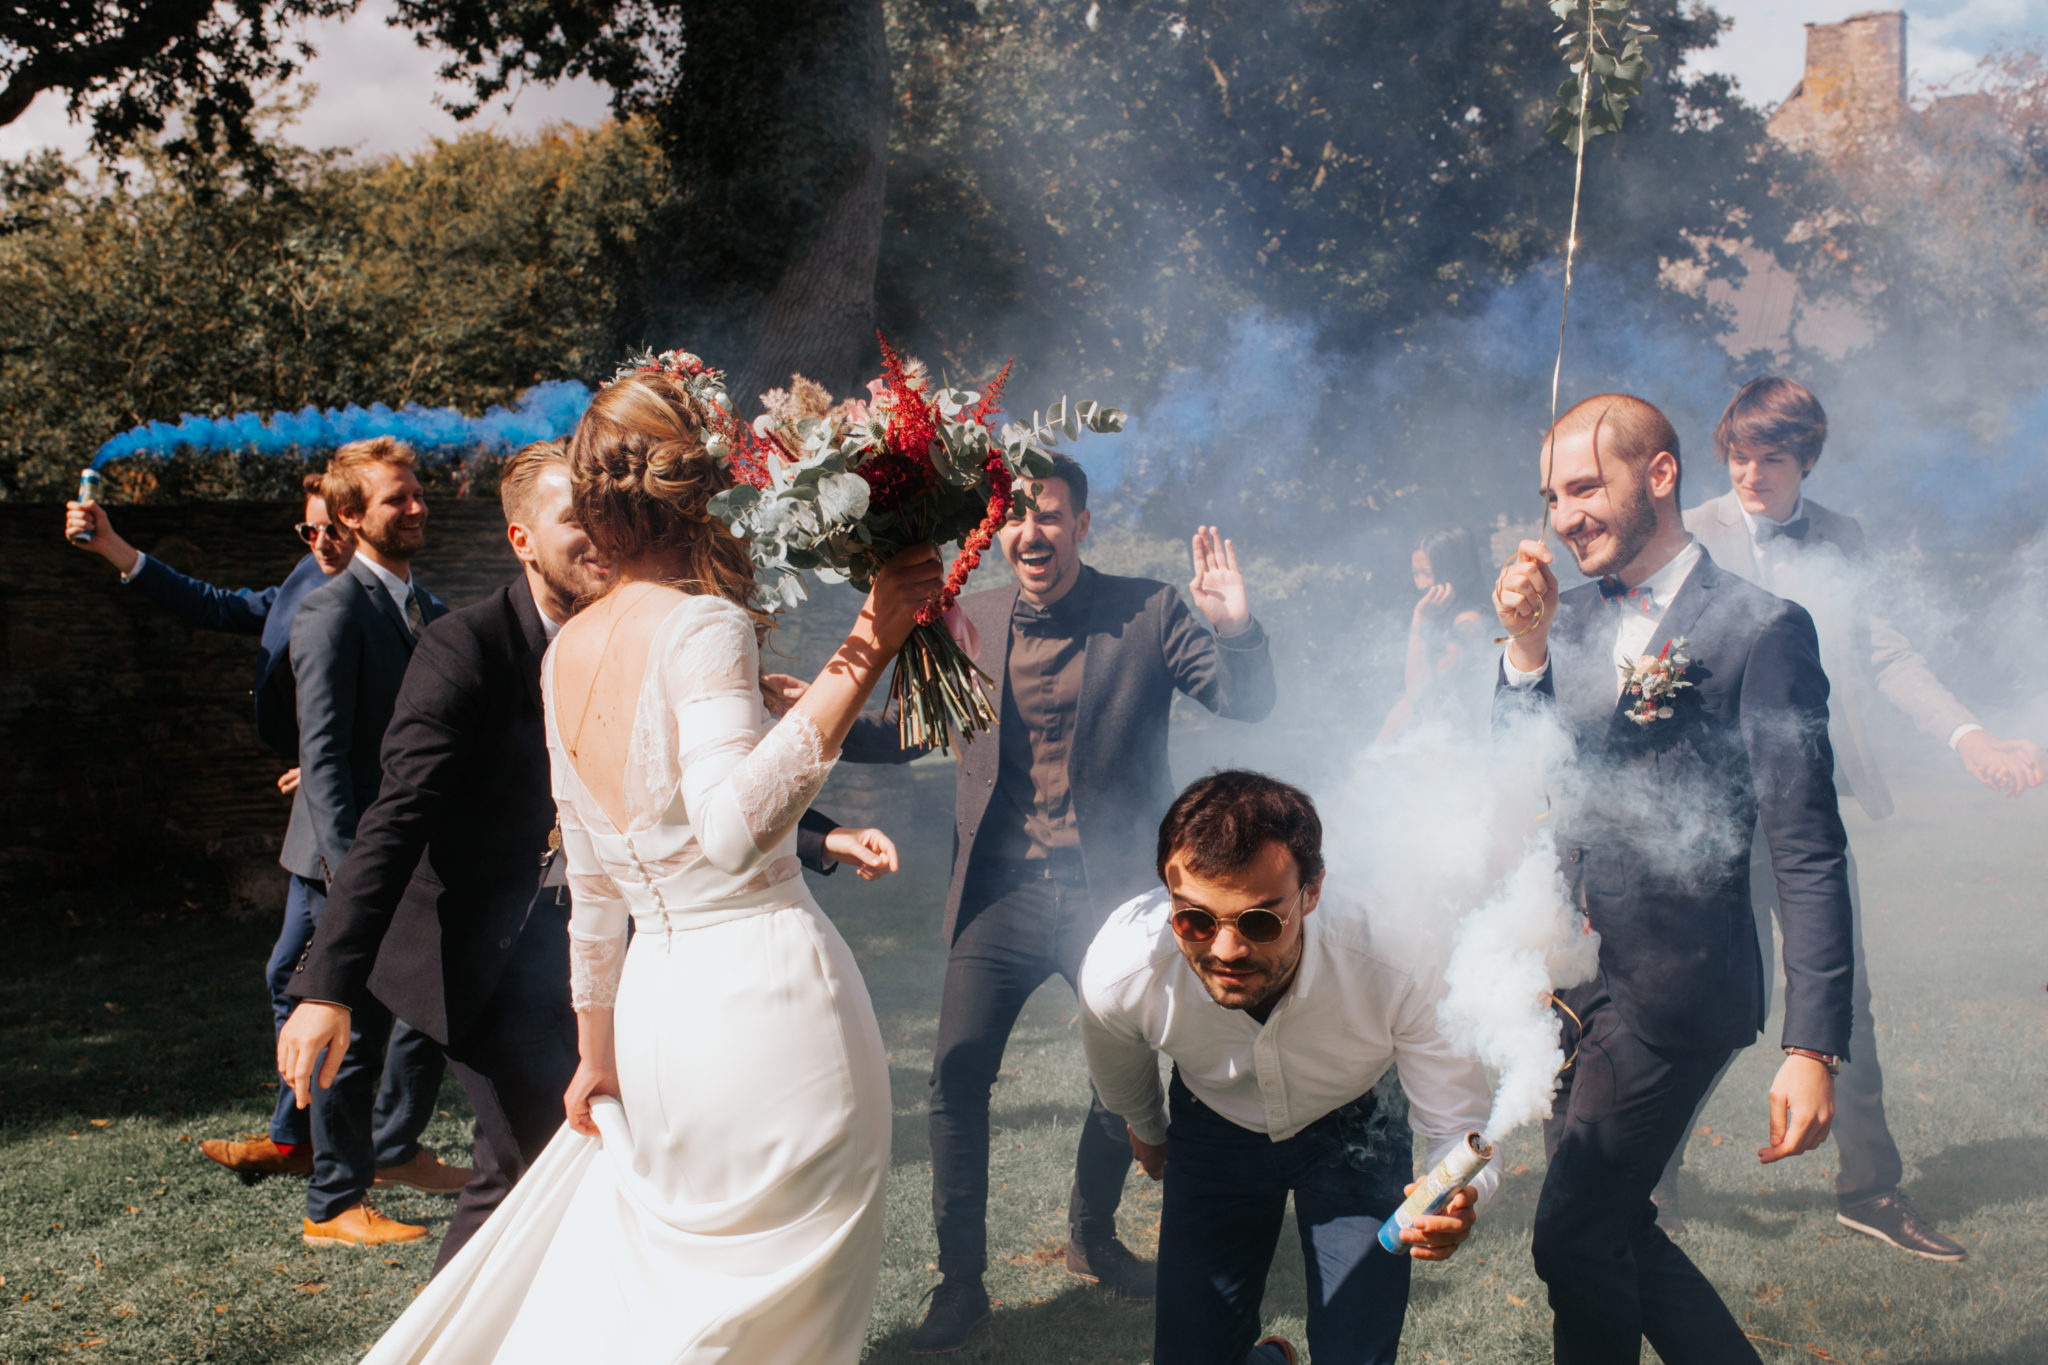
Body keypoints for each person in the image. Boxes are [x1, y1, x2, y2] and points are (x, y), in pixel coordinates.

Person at [350, 368, 942, 1363]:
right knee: (782, 1304)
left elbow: (592, 893)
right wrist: (868, 643)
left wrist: (595, 1053)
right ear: (702, 491)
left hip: (657, 1015)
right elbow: (731, 824)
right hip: (760, 1002)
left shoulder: (565, 652)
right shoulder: (702, 626)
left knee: (696, 1287)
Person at [840, 452, 1278, 1352]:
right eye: (1014, 519)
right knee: (956, 1074)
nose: (1029, 534)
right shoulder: (968, 615)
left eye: (1048, 515)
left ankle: (1092, 1234)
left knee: (1119, 1080)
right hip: (998, 894)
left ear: (1082, 524)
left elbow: (1247, 701)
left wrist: (1236, 628)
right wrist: (824, 706)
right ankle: (960, 1285)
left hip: (1108, 899)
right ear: (994, 531)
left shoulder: (1149, 609)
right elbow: (908, 730)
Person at [1492, 392, 1855, 1365]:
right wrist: (1521, 652)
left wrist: (1811, 1047)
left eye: (1582, 486)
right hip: (1565, 982)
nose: (1563, 514)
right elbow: (1516, 762)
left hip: (1675, 989)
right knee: (1607, 1231)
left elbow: (1808, 844)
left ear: (1657, 475)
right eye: (1549, 496)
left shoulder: (1759, 630)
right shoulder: (1563, 622)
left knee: (1570, 1230)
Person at [1659, 376, 2045, 1260]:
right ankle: (1648, 1183)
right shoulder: (1689, 527)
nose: (1751, 473)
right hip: (1702, 819)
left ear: (1807, 461)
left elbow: (1883, 648)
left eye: (1772, 457)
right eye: (1739, 455)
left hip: (1805, 811)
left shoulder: (1841, 537)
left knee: (1844, 1001)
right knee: (1695, 1002)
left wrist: (1970, 735)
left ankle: (1870, 1189)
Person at [64, 473, 439, 1186]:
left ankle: (339, 1153)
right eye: (310, 531)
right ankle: (302, 1137)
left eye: (334, 528)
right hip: (315, 830)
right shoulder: (308, 589)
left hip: (345, 832)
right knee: (292, 979)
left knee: (339, 994)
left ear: (357, 525)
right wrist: (115, 547)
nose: (323, 541)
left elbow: (392, 704)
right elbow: (213, 604)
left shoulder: (395, 601)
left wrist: (342, 767)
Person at [1079, 770, 1492, 1365]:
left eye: (1258, 921)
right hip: (1216, 1126)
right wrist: (1147, 1125)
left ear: (1313, 891)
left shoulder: (1398, 953)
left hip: (1358, 1125)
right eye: (1195, 920)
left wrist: (1460, 1195)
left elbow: (1461, 1123)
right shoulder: (1121, 969)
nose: (1225, 950)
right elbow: (1117, 1060)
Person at [285, 437, 469, 1249]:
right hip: (352, 859)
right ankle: (333, 1201)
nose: (420, 504)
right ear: (352, 517)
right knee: (349, 1032)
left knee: (431, 1009)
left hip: (417, 854)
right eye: (399, 498)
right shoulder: (332, 609)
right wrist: (353, 868)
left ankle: (393, 1148)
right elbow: (322, 753)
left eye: (418, 490)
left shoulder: (420, 604)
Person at [1376, 524, 1493, 743]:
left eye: (1427, 574)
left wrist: (1420, 618)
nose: (1420, 584)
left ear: (1454, 573)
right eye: (1415, 573)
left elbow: (1417, 694)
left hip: (1455, 743)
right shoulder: (1443, 616)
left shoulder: (1469, 623)